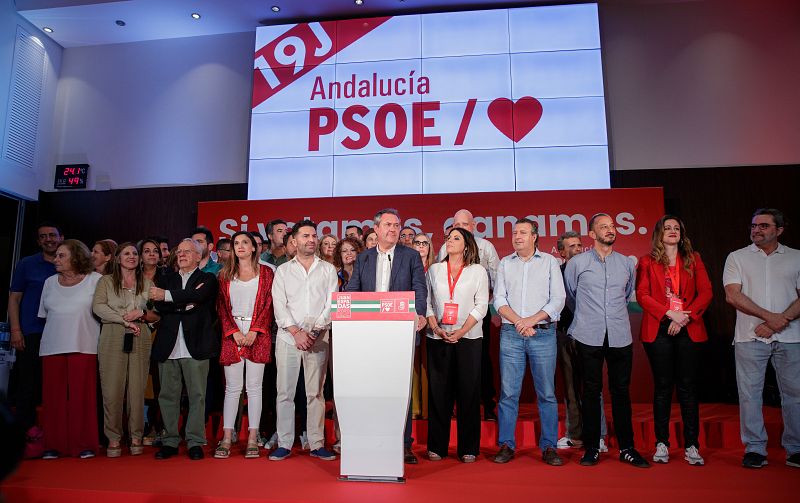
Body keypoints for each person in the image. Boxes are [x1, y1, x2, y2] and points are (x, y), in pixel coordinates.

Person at [564, 213, 650, 468]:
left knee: (621, 392)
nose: (610, 230)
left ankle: (627, 447)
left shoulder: (625, 264)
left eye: (612, 226)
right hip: (587, 335)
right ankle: (592, 447)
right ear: (592, 234)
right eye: (604, 227)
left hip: (619, 335)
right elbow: (571, 296)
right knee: (590, 392)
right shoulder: (577, 263)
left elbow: (625, 295)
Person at [346, 208, 427, 464]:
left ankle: (403, 445)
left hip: (400, 334)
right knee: (373, 388)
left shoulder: (410, 255)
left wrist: (420, 314)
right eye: (388, 225)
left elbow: (419, 289)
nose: (393, 229)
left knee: (400, 390)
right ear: (377, 229)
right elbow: (353, 290)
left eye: (396, 225)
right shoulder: (364, 258)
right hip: (369, 335)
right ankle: (372, 439)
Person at [723, 208, 800, 469]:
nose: (756, 230)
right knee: (749, 395)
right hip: (749, 337)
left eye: (764, 226)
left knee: (794, 395)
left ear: (779, 230)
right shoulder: (737, 257)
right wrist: (771, 318)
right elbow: (733, 295)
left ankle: (796, 448)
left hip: (791, 338)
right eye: (754, 225)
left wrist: (781, 321)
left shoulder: (797, 257)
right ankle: (755, 449)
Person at [637, 216, 712, 465]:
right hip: (658, 329)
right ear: (659, 234)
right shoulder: (647, 262)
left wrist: (683, 318)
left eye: (676, 228)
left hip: (689, 327)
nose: (672, 231)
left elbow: (706, 293)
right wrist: (670, 314)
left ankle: (692, 445)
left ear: (682, 234)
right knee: (663, 387)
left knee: (688, 387)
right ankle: (662, 444)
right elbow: (643, 295)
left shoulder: (694, 259)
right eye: (667, 228)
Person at [492, 218, 565, 466]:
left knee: (546, 393)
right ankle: (506, 444)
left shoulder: (549, 262)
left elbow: (558, 299)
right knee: (508, 393)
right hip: (512, 334)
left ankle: (549, 446)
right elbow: (499, 300)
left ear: (535, 236)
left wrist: (531, 321)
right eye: (514, 232)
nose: (517, 236)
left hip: (543, 334)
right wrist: (521, 322)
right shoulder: (505, 263)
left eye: (523, 232)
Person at [270, 221, 339, 461]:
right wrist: (296, 332)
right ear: (295, 241)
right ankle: (285, 442)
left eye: (314, 235)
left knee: (315, 393)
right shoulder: (283, 271)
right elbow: (279, 305)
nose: (311, 239)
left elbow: (332, 304)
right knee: (285, 393)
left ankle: (317, 442)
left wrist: (315, 330)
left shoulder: (328, 270)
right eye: (306, 235)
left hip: (318, 339)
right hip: (288, 339)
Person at [149, 238, 220, 460]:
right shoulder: (166, 278)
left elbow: (198, 297)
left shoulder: (207, 279)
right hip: (168, 345)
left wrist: (169, 297)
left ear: (199, 256)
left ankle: (195, 441)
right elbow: (159, 305)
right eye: (179, 251)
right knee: (167, 395)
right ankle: (170, 440)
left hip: (196, 346)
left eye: (187, 251)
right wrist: (183, 303)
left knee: (197, 396)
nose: (181, 255)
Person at [425, 227, 488, 462]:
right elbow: (428, 302)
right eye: (448, 238)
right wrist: (435, 327)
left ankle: (468, 447)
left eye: (456, 238)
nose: (449, 241)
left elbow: (481, 306)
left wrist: (461, 331)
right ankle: (437, 446)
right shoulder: (434, 269)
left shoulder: (477, 271)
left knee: (468, 393)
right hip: (438, 338)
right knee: (439, 393)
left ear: (467, 244)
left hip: (469, 339)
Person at [37, 239, 102, 459]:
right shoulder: (49, 282)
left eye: (61, 255)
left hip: (84, 345)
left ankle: (83, 444)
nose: (56, 259)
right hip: (52, 345)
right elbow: (44, 315)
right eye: (56, 256)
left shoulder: (95, 280)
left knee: (82, 397)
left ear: (76, 257)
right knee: (53, 398)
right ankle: (53, 445)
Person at [93, 242, 158, 457]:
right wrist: (123, 320)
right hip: (113, 334)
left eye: (134, 253)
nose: (131, 256)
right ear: (117, 258)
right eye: (126, 253)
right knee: (111, 389)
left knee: (137, 389)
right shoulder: (106, 282)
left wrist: (140, 313)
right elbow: (99, 307)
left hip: (140, 336)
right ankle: (113, 437)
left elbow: (156, 314)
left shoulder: (147, 283)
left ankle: (136, 435)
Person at [214, 232, 274, 459]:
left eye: (244, 243)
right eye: (236, 243)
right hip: (233, 335)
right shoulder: (224, 274)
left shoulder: (267, 273)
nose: (240, 247)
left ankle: (252, 438)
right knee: (232, 388)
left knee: (255, 388)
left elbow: (269, 304)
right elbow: (221, 307)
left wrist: (255, 331)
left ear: (253, 248)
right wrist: (234, 332)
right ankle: (227, 438)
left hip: (258, 334)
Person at [437, 209, 500, 420]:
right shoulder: (445, 247)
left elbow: (497, 280)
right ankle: (452, 404)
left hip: (477, 314)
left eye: (464, 225)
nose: (459, 229)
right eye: (456, 225)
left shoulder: (486, 247)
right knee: (450, 363)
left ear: (472, 226)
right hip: (447, 318)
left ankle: (487, 404)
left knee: (480, 360)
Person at [8, 222, 62, 457]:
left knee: (55, 386)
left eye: (52, 235)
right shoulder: (27, 264)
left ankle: (55, 434)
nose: (48, 239)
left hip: (61, 333)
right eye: (43, 237)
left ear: (61, 237)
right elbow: (14, 299)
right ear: (38, 241)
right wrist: (15, 329)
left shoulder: (69, 263)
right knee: (27, 385)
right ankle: (25, 434)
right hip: (31, 331)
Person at [555, 232, 609, 452]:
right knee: (570, 386)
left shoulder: (591, 270)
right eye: (571, 246)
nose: (577, 248)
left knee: (592, 385)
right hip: (564, 334)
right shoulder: (555, 273)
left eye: (579, 245)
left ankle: (598, 435)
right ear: (561, 252)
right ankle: (575, 434)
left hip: (590, 335)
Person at [411, 232, 435, 419]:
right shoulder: (408, 268)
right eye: (417, 243)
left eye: (424, 243)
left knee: (429, 367)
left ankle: (428, 410)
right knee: (413, 367)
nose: (420, 246)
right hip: (412, 321)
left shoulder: (436, 268)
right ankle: (414, 409)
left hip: (434, 322)